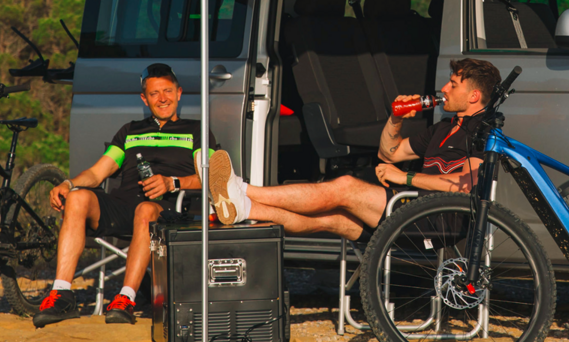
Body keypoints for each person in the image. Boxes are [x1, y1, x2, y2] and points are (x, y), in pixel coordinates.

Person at [205, 58, 501, 239]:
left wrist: (405, 178)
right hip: (412, 210)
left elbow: (464, 187)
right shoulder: (444, 127)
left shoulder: (483, 132)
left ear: (474, 95)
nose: (445, 89)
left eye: (453, 84)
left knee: (345, 187)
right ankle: (247, 208)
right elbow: (389, 154)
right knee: (333, 220)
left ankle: (244, 190)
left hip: (436, 220)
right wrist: (395, 118)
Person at [33, 63, 217, 328]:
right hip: (123, 206)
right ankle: (61, 294)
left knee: (145, 210)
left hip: (166, 209)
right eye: (154, 93)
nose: (162, 98)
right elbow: (97, 174)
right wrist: (68, 183)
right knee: (77, 197)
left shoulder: (197, 131)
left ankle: (126, 298)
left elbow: (212, 178)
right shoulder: (131, 131)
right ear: (144, 98)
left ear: (179, 93)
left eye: (167, 91)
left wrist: (172, 182)